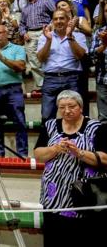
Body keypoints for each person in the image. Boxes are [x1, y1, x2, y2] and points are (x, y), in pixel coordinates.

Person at [34, 90, 106, 247]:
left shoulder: (96, 127)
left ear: (80, 107)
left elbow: (105, 158)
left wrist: (79, 153)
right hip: (53, 196)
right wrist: (55, 149)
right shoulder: (50, 125)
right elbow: (38, 154)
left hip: (85, 196)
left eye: (71, 106)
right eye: (62, 107)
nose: (66, 110)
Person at [0, 25, 28, 157]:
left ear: (6, 33)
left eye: (0, 33)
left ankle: (22, 153)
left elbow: (20, 67)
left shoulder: (18, 48)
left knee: (19, 121)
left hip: (13, 89)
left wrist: (3, 59)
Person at [37, 10, 87, 121]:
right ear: (52, 21)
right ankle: (50, 138)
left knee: (75, 114)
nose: (58, 21)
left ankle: (75, 138)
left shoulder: (78, 36)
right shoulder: (44, 37)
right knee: (46, 116)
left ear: (68, 20)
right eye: (55, 19)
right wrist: (48, 41)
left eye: (61, 18)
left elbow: (80, 56)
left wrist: (69, 36)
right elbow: (41, 58)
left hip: (72, 78)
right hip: (51, 78)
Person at [90, 1, 107, 121]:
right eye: (106, 11)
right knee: (104, 119)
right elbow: (92, 55)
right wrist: (104, 45)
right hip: (103, 80)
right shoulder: (99, 32)